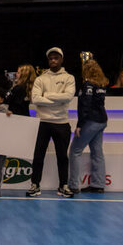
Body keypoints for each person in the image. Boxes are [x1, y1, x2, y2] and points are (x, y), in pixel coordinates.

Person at [29, 46, 75, 198]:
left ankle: (63, 186)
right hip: (42, 122)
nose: (53, 60)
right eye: (51, 58)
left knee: (62, 157)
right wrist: (57, 100)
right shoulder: (40, 79)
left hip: (62, 123)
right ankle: (35, 185)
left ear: (61, 59)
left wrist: (47, 95)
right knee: (38, 156)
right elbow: (36, 99)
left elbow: (68, 97)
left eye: (56, 58)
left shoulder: (69, 78)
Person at [68, 58, 109, 194]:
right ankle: (98, 184)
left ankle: (73, 185)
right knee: (97, 152)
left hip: (90, 121)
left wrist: (80, 125)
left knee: (75, 151)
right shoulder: (101, 85)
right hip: (102, 121)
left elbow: (85, 106)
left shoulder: (87, 85)